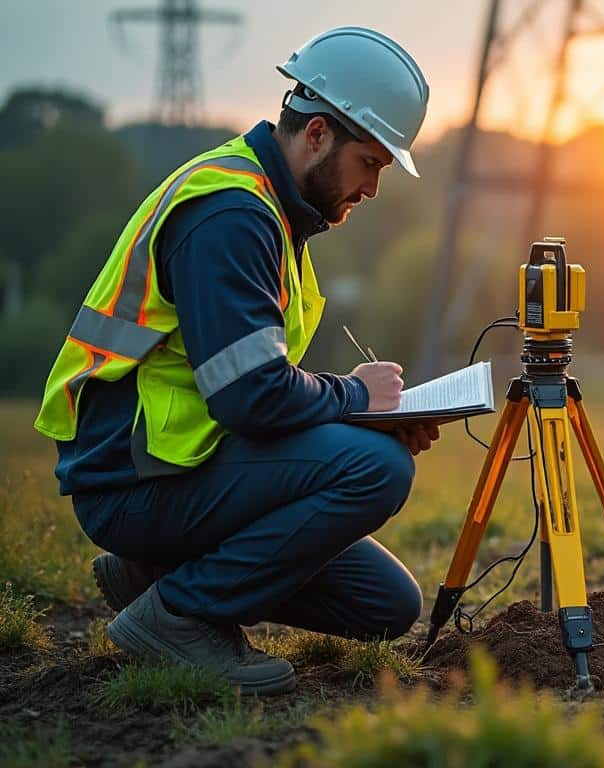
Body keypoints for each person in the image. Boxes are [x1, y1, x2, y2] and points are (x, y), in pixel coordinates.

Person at [32, 27, 434, 695]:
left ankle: (156, 576)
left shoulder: (271, 211)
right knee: (378, 469)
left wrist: (363, 415)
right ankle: (178, 616)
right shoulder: (230, 214)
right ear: (316, 137)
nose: (372, 188)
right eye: (371, 163)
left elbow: (249, 394)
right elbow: (251, 395)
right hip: (132, 483)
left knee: (385, 606)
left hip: (181, 467)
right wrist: (359, 401)